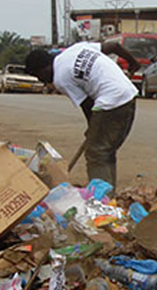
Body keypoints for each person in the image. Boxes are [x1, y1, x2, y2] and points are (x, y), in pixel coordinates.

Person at [25, 42, 141, 189]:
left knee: (96, 153)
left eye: (38, 76)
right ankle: (109, 195)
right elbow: (113, 47)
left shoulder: (61, 79)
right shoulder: (75, 49)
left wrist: (92, 128)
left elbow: (87, 105)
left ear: (44, 69)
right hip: (128, 94)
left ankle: (101, 201)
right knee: (105, 151)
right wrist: (133, 62)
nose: (41, 81)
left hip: (111, 101)